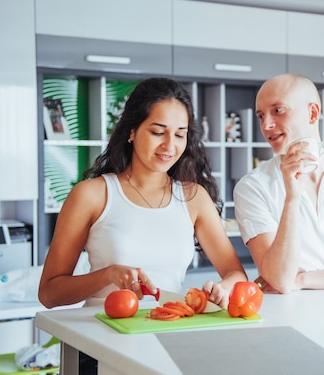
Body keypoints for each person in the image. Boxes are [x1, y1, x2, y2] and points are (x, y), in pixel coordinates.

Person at [39, 77, 247, 311]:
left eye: (180, 135)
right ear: (132, 132)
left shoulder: (194, 198)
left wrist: (224, 288)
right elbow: (49, 293)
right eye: (158, 132)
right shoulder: (92, 195)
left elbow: (236, 274)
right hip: (101, 335)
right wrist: (109, 275)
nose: (170, 146)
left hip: (168, 328)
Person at [233, 73, 324, 294]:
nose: (267, 125)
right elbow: (281, 279)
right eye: (261, 115)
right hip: (292, 313)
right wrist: (291, 199)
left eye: (278, 110)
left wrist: (302, 279)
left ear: (312, 113)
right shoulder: (252, 187)